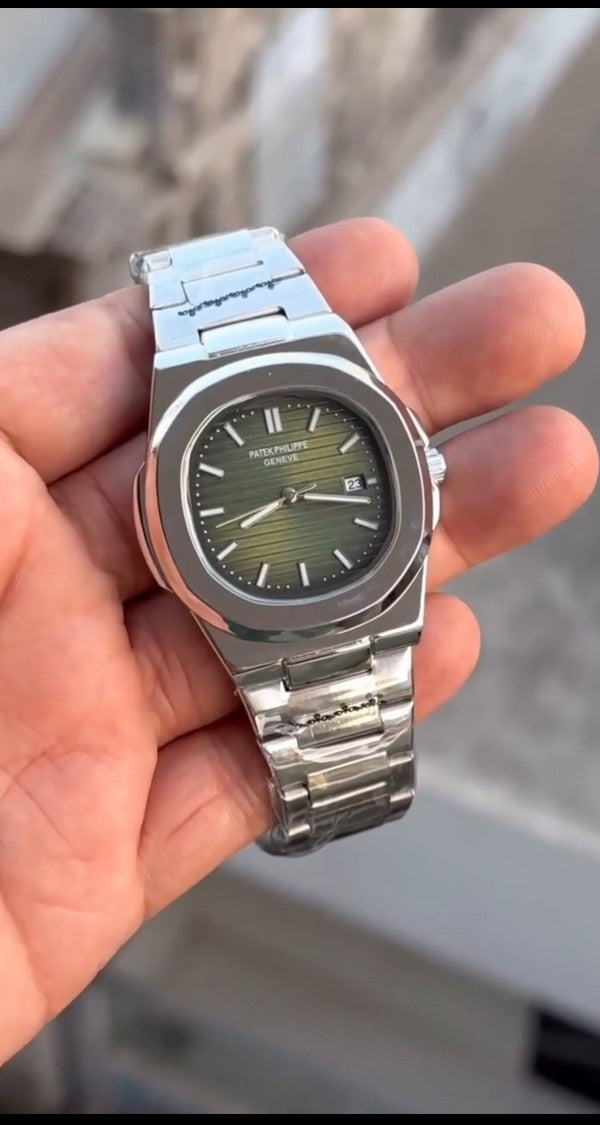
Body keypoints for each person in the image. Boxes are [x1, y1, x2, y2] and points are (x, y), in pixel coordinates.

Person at [0, 218, 596, 1064]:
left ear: (417, 470)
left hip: (350, 591)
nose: (288, 496)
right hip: (263, 620)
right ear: (162, 539)